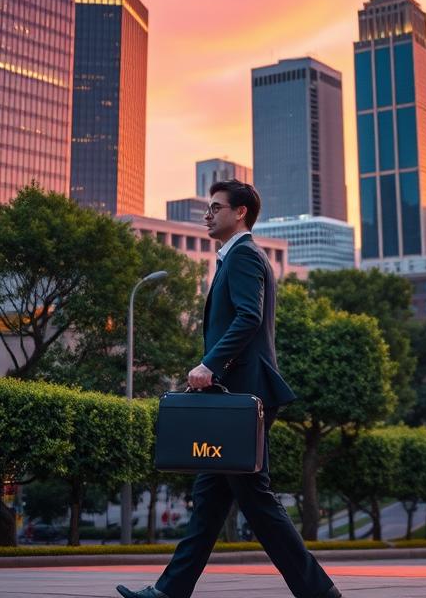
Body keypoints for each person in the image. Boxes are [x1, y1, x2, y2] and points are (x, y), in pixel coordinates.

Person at [117, 180, 341, 598]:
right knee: (208, 502)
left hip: (241, 396)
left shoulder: (243, 256)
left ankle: (318, 592)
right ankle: (170, 591)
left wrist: (209, 364)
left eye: (216, 207)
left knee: (255, 499)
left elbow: (248, 317)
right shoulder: (234, 258)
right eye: (208, 206)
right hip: (232, 399)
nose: (207, 213)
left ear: (240, 212)